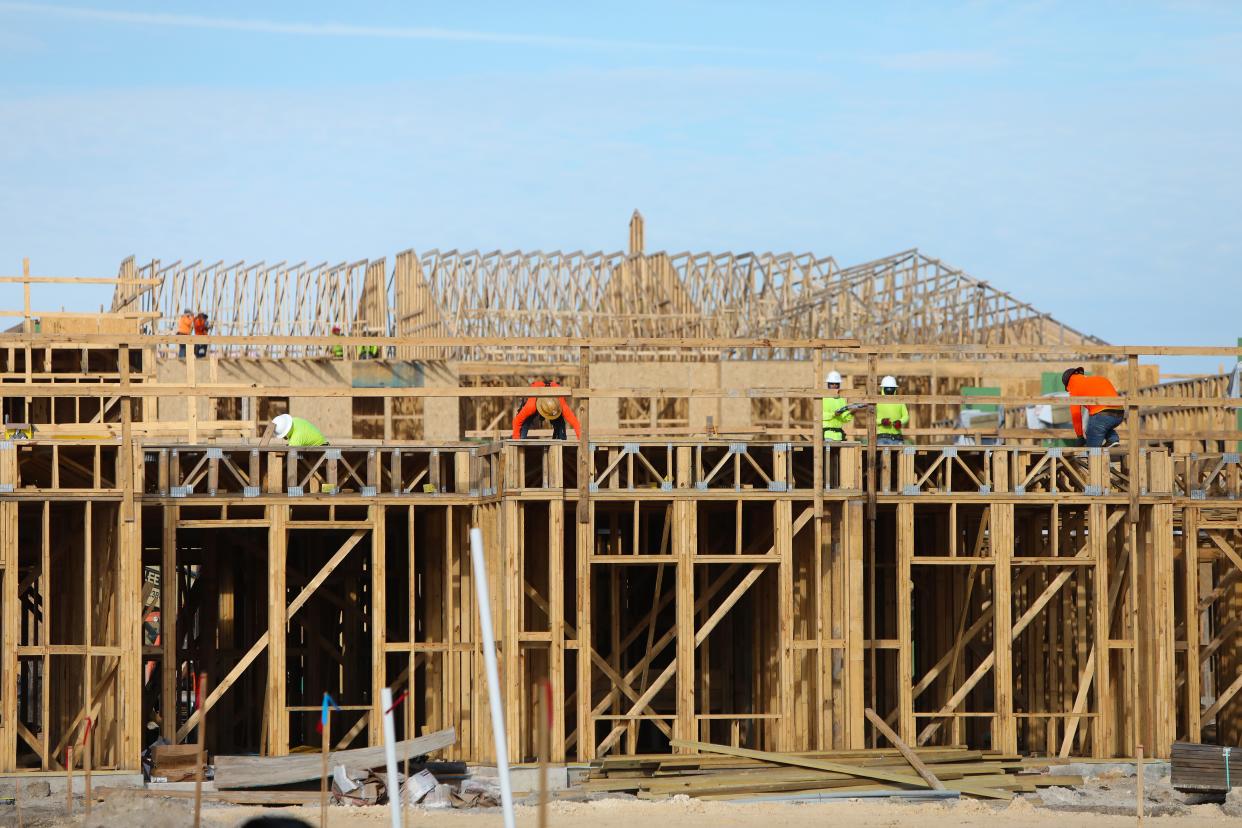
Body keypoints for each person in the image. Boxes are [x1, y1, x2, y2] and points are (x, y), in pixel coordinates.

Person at [1063, 367, 1123, 448]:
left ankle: (1094, 456)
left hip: (1102, 414)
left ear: (1067, 385)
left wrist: (1079, 436)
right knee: (1101, 427)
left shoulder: (1073, 387)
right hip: (1120, 414)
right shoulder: (1098, 379)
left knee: (1091, 450)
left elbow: (1076, 415)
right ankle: (1113, 439)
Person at [513, 379, 581, 440]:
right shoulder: (531, 406)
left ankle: (560, 438)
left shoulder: (560, 404)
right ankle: (522, 438)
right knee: (526, 422)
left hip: (554, 398)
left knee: (560, 423)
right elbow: (517, 421)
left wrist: (581, 440)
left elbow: (575, 422)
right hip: (536, 396)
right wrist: (517, 441)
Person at [876, 375, 909, 445]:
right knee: (884, 455)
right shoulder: (877, 401)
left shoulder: (900, 401)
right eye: (888, 388)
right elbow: (872, 418)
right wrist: (881, 421)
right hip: (882, 438)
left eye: (891, 388)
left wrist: (900, 422)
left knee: (901, 455)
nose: (889, 390)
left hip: (897, 438)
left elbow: (906, 416)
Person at [821, 370, 852, 442]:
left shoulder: (841, 400)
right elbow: (819, 416)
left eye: (837, 384)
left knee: (836, 454)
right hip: (827, 435)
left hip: (839, 436)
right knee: (828, 453)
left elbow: (844, 419)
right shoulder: (822, 398)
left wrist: (851, 413)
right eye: (832, 384)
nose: (835, 386)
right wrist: (833, 414)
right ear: (828, 384)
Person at [261, 413, 327, 447]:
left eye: (284, 436)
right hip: (318, 444)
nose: (284, 438)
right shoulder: (295, 420)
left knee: (291, 456)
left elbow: (291, 449)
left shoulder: (297, 436)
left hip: (321, 447)